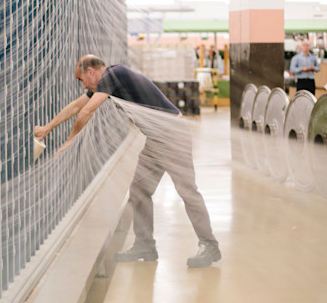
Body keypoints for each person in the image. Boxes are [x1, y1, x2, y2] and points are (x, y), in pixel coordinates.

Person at [34, 55, 221, 268]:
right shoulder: (109, 80)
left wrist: (69, 142)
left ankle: (210, 244)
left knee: (187, 190)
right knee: (139, 190)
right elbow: (77, 106)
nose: (83, 85)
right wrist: (47, 128)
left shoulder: (115, 74)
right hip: (156, 139)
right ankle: (145, 245)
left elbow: (87, 110)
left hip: (172, 135)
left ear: (91, 72)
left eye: (81, 79)